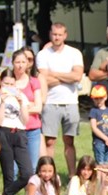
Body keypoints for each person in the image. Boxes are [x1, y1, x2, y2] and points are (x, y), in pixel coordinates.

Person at [37, 23, 84, 177]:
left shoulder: (74, 53)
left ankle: (72, 175)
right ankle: (48, 175)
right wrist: (67, 77)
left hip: (70, 102)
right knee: (49, 141)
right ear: (50, 34)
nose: (57, 37)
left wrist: (54, 74)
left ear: (65, 35)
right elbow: (43, 79)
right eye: (54, 34)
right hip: (50, 102)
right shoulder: (43, 54)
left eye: (59, 34)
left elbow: (77, 76)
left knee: (69, 141)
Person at [0, 68, 32, 195]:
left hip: (19, 132)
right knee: (8, 172)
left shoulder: (21, 96)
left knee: (27, 172)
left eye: (11, 84)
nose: (9, 87)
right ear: (0, 83)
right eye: (6, 84)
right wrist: (3, 101)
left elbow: (25, 120)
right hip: (4, 132)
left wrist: (21, 103)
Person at [12, 48, 45, 175]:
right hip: (14, 129)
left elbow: (38, 108)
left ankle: (30, 188)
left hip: (32, 129)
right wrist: (29, 105)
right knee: (13, 168)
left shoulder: (34, 82)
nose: (20, 65)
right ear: (13, 63)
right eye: (17, 62)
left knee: (32, 167)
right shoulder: (10, 82)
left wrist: (21, 108)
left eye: (23, 62)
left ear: (27, 64)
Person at [89, 84, 108, 165]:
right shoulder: (93, 111)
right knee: (100, 163)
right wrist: (106, 139)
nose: (98, 101)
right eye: (96, 98)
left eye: (101, 98)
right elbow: (94, 128)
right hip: (99, 142)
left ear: (105, 97)